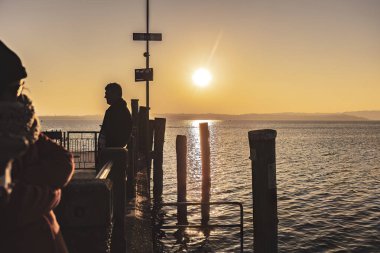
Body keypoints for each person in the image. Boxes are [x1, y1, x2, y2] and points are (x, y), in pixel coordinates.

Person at [0, 40, 74, 253]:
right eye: (14, 89)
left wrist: (21, 182)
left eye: (21, 87)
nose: (21, 97)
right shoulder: (20, 125)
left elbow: (63, 161)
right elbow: (9, 209)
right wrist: (51, 194)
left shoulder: (23, 124)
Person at [98, 82, 132, 151]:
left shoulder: (113, 111)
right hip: (114, 150)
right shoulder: (123, 110)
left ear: (115, 94)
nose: (105, 96)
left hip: (110, 151)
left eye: (107, 94)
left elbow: (109, 132)